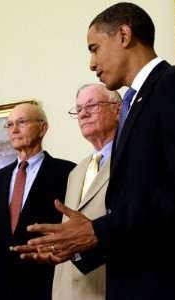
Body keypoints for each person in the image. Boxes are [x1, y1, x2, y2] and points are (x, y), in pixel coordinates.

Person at [14, 3, 175, 299]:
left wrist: (98, 230)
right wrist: (78, 248)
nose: (92, 64)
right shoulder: (134, 106)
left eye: (94, 49)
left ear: (123, 35)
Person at [0, 103, 76, 300]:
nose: (14, 130)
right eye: (9, 125)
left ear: (43, 128)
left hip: (45, 282)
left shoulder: (67, 172)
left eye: (22, 122)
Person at [52, 84, 120, 300]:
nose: (83, 113)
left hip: (106, 288)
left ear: (117, 109)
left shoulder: (130, 162)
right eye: (78, 108)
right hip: (67, 290)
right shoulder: (76, 171)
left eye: (92, 105)